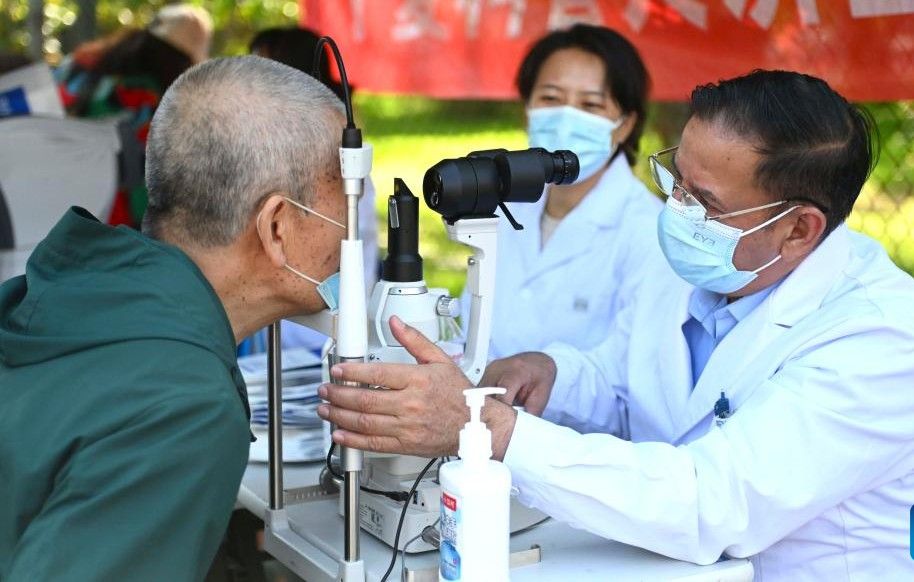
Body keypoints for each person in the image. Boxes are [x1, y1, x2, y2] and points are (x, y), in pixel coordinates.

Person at [316, 70, 914, 580]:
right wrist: (553, 372)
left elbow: (715, 503)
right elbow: (628, 375)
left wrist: (493, 429)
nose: (678, 208)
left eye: (705, 201)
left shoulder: (879, 338)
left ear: (801, 229)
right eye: (675, 177)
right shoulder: (706, 260)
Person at [0, 55, 346, 580]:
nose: (355, 220)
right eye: (348, 188)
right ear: (276, 227)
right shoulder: (184, 405)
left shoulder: (64, 299)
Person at [461, 24, 670, 358]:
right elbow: (468, 322)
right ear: (527, 111)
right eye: (551, 99)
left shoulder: (649, 231)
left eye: (590, 105)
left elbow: (633, 372)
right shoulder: (503, 207)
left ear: (625, 125)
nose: (566, 118)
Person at [246, 25, 379, 354]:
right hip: (274, 339)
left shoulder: (336, 163)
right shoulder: (268, 152)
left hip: (318, 342)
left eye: (261, 75)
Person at [56, 3, 213, 228]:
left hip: (58, 201)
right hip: (117, 225)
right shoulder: (156, 98)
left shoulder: (81, 63)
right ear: (186, 58)